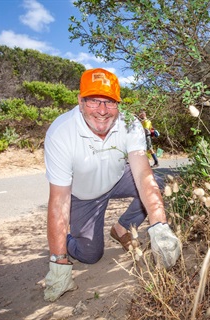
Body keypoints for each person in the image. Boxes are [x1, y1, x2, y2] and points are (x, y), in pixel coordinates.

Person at [43, 68, 181, 302]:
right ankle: (66, 242)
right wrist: (59, 260)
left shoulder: (129, 123)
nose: (103, 111)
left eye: (110, 103)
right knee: (90, 255)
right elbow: (59, 201)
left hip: (117, 179)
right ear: (80, 101)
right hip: (83, 196)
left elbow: (143, 175)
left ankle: (121, 228)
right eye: (94, 101)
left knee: (159, 182)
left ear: (118, 104)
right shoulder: (61, 133)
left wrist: (159, 225)